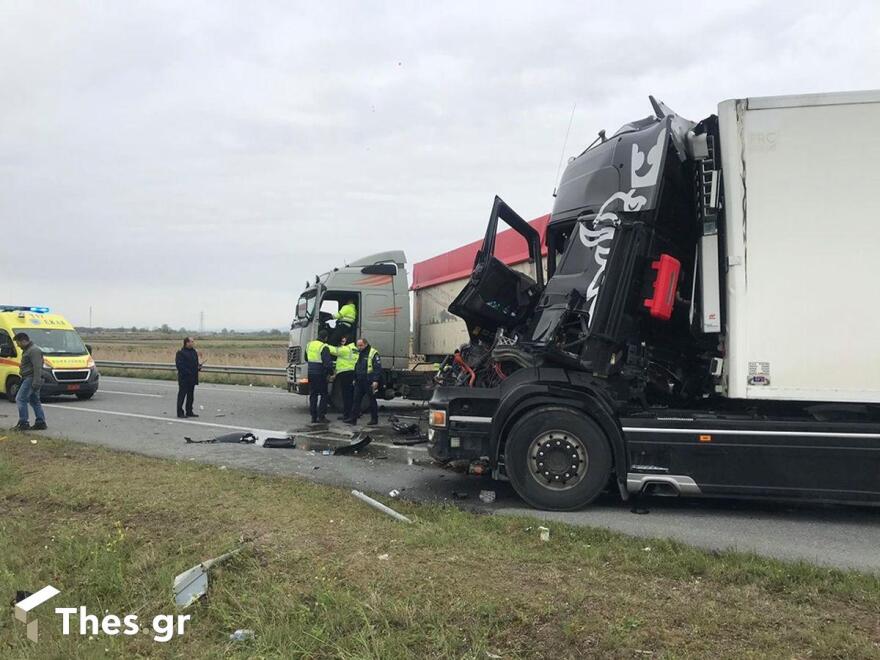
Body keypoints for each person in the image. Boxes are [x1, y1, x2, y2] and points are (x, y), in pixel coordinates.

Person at [11, 333, 47, 431]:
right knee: (34, 400)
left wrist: (36, 382)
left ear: (23, 341)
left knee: (20, 399)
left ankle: (23, 423)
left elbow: (37, 367)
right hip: (29, 378)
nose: (17, 345)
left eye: (18, 343)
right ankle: (40, 422)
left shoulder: (34, 350)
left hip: (31, 378)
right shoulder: (28, 350)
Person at [348, 337, 381, 426]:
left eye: (361, 345)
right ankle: (353, 419)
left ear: (366, 344)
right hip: (359, 380)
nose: (359, 347)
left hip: (369, 380)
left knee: (372, 400)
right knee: (356, 400)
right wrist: (354, 378)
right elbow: (356, 366)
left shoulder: (373, 353)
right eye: (358, 345)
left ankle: (374, 419)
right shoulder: (359, 353)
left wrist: (375, 380)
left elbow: (377, 368)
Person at [306, 329, 337, 423]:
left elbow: (306, 358)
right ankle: (321, 416)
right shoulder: (324, 347)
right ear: (326, 338)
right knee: (324, 394)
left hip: (311, 372)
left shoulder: (309, 344)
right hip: (320, 374)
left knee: (313, 394)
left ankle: (313, 417)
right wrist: (331, 373)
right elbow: (327, 363)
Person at [175, 337, 203, 418]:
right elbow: (180, 365)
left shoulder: (194, 352)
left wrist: (198, 367)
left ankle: (189, 411)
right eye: (191, 342)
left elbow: (195, 363)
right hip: (184, 378)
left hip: (192, 378)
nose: (193, 343)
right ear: (186, 343)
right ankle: (180, 412)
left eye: (193, 342)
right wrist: (189, 372)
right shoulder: (180, 352)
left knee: (191, 396)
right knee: (182, 395)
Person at [333, 336, 358, 421]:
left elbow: (333, 350)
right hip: (352, 373)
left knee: (346, 396)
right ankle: (351, 413)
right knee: (350, 395)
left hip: (345, 374)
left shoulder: (346, 349)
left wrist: (323, 345)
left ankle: (347, 415)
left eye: (343, 341)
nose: (342, 343)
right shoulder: (354, 349)